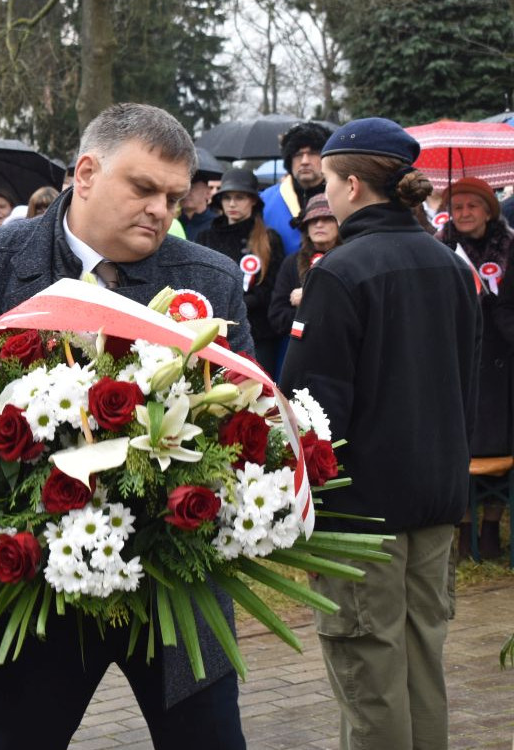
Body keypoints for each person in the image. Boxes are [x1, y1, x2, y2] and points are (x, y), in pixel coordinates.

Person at [0, 102, 253, 750]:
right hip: (30, 586)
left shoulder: (207, 281)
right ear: (85, 173)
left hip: (168, 579)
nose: (161, 209)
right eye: (143, 188)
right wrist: (3, 436)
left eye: (172, 195)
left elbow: (243, 419)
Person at [280, 117, 480, 750]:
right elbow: (464, 385)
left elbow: (312, 409)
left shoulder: (339, 272)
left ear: (355, 184)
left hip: (362, 513)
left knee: (371, 682)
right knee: (423, 671)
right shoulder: (448, 264)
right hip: (436, 498)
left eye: (330, 181)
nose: (324, 195)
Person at [437, 177, 514, 560]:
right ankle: (464, 526)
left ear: (488, 210)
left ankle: (490, 527)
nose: (464, 213)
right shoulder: (440, 247)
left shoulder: (510, 247)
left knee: (502, 443)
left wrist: (496, 305)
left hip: (503, 360)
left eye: (472, 206)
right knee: (461, 445)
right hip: (458, 357)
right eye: (458, 206)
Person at [196, 168, 284, 373]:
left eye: (239, 197)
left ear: (253, 200)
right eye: (227, 198)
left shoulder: (269, 239)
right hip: (213, 331)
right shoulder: (205, 238)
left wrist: (233, 304)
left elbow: (270, 290)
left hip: (257, 334)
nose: (232, 204)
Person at [268, 193, 340, 340]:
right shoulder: (291, 262)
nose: (319, 224)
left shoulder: (349, 259)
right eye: (313, 220)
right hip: (301, 347)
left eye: (326, 219)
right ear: (306, 228)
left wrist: (309, 296)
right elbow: (277, 317)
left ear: (338, 224)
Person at [260, 122, 333, 255]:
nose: (305, 161)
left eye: (312, 153)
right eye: (298, 154)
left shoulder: (341, 197)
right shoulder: (265, 201)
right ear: (289, 160)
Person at [179, 175, 218, 240]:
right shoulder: (172, 223)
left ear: (208, 193)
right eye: (182, 188)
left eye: (192, 187)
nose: (186, 192)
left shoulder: (217, 225)